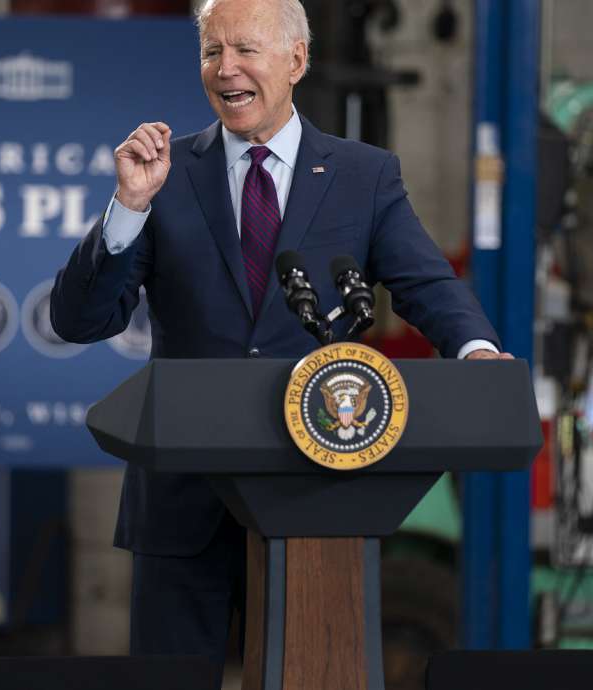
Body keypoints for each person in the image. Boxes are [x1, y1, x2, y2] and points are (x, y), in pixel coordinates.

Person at [50, 0, 511, 677]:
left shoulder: (363, 176)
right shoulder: (164, 176)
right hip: (183, 503)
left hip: (315, 494)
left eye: (246, 49)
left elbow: (426, 283)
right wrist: (129, 207)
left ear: (297, 60)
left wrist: (477, 352)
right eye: (212, 52)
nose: (225, 69)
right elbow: (79, 320)